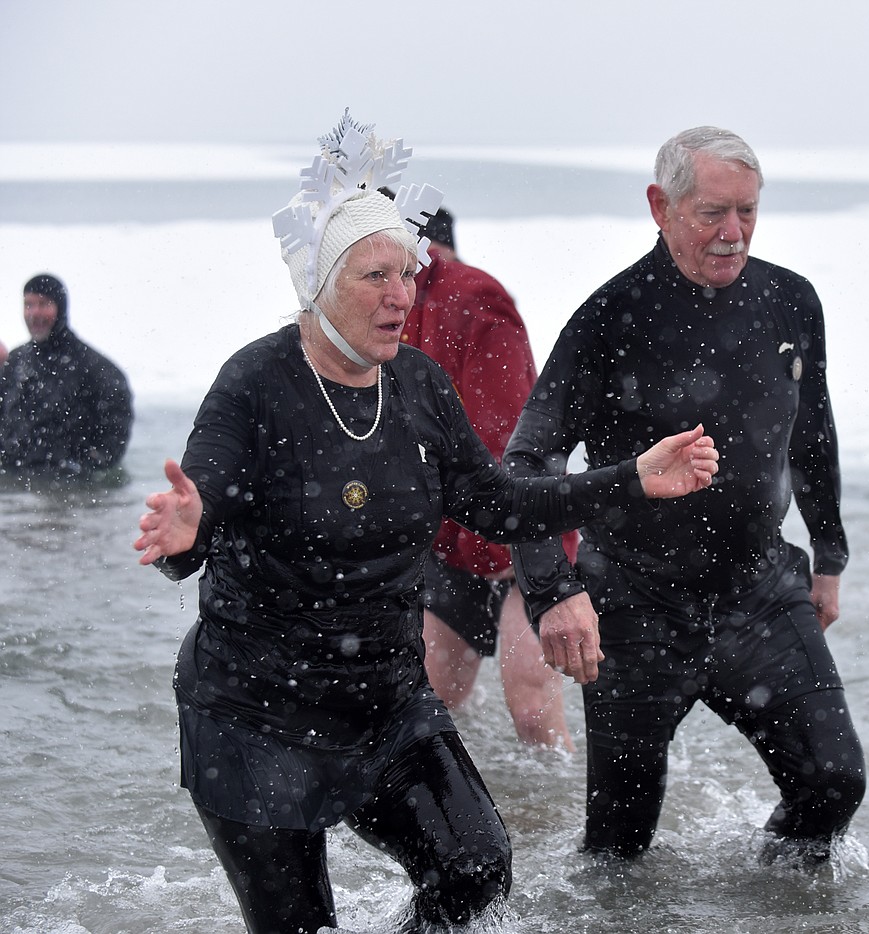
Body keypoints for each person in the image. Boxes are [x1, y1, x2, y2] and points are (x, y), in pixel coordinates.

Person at [132, 113, 719, 934]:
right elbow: (199, 513)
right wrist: (186, 532)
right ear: (318, 283)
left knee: (476, 869)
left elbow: (500, 503)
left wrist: (629, 480)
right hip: (256, 715)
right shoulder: (254, 385)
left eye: (406, 273)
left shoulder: (418, 386)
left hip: (383, 698)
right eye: (375, 276)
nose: (401, 295)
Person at [504, 126, 866, 867]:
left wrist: (828, 554)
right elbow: (529, 460)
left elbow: (813, 435)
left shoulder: (790, 302)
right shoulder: (611, 318)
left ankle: (779, 902)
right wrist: (552, 591)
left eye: (748, 212)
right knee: (618, 851)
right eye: (711, 214)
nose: (733, 235)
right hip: (635, 609)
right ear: (659, 205)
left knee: (834, 782)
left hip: (759, 593)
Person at [396, 198, 578, 749]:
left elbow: (511, 435)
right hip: (451, 538)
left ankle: (560, 825)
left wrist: (512, 539)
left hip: (518, 531)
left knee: (530, 707)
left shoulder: (474, 297)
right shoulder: (395, 308)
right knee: (431, 700)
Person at [0, 274, 133, 479]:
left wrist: (86, 468)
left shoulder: (97, 370)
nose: (34, 313)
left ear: (61, 308)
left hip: (74, 493)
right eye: (29, 305)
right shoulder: (14, 363)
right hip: (14, 489)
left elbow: (115, 436)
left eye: (44, 304)